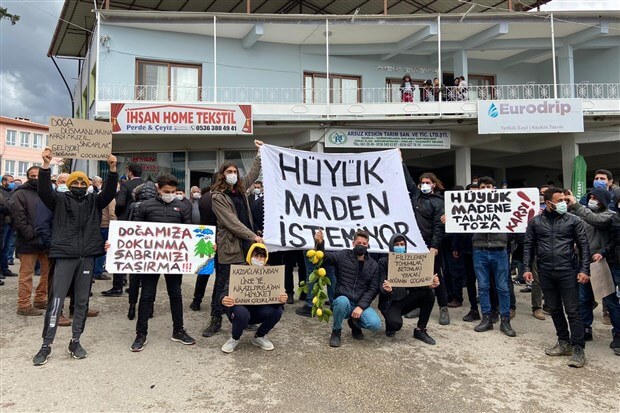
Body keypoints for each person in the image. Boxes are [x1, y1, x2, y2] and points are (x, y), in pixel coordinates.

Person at [32, 148, 119, 365]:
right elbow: (44, 191)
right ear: (69, 184)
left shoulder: (94, 201)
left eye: (83, 182)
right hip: (64, 255)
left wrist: (112, 169)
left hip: (87, 256)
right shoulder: (59, 200)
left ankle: (76, 340)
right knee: (56, 300)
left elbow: (109, 193)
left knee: (81, 302)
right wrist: (46, 166)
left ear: (88, 185)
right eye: (75, 182)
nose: (79, 185)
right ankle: (46, 344)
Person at [523, 187, 591, 368]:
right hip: (545, 271)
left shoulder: (574, 221)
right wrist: (527, 268)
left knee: (573, 311)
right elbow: (528, 245)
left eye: (565, 200)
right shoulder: (536, 222)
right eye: (559, 200)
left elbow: (584, 246)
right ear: (548, 203)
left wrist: (584, 270)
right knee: (554, 308)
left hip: (568, 271)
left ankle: (578, 349)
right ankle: (564, 343)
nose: (564, 203)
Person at [202, 139, 263, 338]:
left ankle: (242, 317)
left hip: (247, 246)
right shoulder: (217, 196)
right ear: (222, 174)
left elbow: (253, 174)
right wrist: (253, 235)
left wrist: (260, 154)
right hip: (229, 246)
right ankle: (215, 319)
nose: (232, 174)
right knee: (223, 284)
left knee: (243, 283)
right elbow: (231, 222)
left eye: (235, 171)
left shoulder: (241, 189)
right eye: (229, 171)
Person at [129, 174, 195, 352]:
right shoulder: (145, 206)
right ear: (158, 188)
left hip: (173, 259)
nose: (170, 194)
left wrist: (205, 244)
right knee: (147, 295)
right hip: (151, 259)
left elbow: (190, 232)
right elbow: (134, 232)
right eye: (167, 191)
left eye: (173, 191)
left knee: (176, 293)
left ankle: (178, 330)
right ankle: (141, 334)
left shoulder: (183, 207)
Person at [314, 229, 381, 348]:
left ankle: (355, 324)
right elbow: (325, 257)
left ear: (368, 245)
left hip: (360, 303)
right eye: (358, 243)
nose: (361, 245)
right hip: (344, 300)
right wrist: (320, 244)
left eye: (364, 243)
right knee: (341, 301)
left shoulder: (373, 265)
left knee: (375, 324)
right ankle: (336, 331)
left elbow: (373, 289)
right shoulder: (343, 255)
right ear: (353, 243)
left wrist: (361, 306)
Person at [402, 168, 450, 325]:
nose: (424, 185)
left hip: (430, 244)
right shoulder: (416, 196)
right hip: (414, 244)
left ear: (434, 184)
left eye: (427, 182)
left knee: (436, 276)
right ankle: (417, 305)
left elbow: (438, 226)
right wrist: (401, 162)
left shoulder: (438, 202)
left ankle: (443, 307)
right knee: (415, 275)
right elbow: (408, 181)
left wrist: (434, 246)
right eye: (422, 182)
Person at [220, 243, 287, 353]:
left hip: (260, 311)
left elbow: (276, 295)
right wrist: (223, 299)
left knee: (278, 311)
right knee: (241, 313)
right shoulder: (239, 270)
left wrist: (281, 299)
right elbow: (225, 291)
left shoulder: (271, 272)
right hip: (240, 311)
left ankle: (259, 336)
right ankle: (234, 338)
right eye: (256, 256)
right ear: (250, 256)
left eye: (262, 256)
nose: (259, 259)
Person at [471, 177, 515, 337]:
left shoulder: (504, 204)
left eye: (489, 186)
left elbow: (516, 220)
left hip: (499, 249)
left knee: (502, 287)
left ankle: (505, 321)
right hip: (479, 249)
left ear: (494, 188)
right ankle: (486, 319)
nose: (486, 189)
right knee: (483, 286)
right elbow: (461, 220)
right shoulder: (471, 205)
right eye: (482, 187)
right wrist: (450, 219)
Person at [567, 188, 614, 341]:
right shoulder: (584, 214)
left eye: (596, 198)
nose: (592, 200)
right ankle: (585, 328)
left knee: (610, 300)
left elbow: (596, 220)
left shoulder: (610, 215)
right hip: (585, 262)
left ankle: (617, 333)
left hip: (602, 263)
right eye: (591, 197)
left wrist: (576, 205)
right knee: (583, 298)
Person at [379, 234, 440, 344]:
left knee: (429, 293)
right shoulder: (383, 262)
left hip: (405, 300)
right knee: (395, 324)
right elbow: (380, 286)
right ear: (391, 246)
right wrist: (387, 289)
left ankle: (420, 330)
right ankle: (390, 324)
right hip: (390, 302)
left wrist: (429, 285)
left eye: (402, 244)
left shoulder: (410, 261)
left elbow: (416, 282)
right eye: (396, 245)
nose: (399, 247)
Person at [9, 166, 50, 316]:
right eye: (33, 176)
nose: (36, 179)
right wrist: (31, 234)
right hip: (27, 240)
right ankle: (24, 304)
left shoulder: (48, 193)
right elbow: (17, 217)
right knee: (26, 274)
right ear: (28, 177)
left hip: (46, 240)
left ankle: (41, 298)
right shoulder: (19, 194)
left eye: (38, 176)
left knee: (48, 272)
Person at [102, 163, 144, 296]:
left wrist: (120, 215)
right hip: (142, 224)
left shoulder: (126, 185)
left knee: (121, 253)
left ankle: (117, 286)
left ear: (130, 172)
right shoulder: (148, 185)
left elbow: (120, 203)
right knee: (138, 255)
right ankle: (135, 285)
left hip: (126, 222)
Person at [126, 181, 159, 320]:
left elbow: (127, 224)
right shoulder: (156, 205)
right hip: (153, 247)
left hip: (136, 246)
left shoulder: (134, 205)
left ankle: (132, 306)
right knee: (151, 280)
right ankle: (150, 307)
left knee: (134, 278)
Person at [190, 185, 218, 312]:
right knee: (220, 274)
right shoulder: (219, 198)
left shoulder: (203, 198)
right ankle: (215, 302)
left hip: (206, 236)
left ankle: (196, 301)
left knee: (204, 271)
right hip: (218, 237)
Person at [604, 191, 620, 355]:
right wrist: (602, 252)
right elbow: (611, 242)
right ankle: (618, 333)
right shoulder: (613, 219)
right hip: (615, 264)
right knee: (612, 300)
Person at [93, 181, 116, 280]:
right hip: (107, 225)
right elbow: (112, 213)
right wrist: (115, 225)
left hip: (100, 224)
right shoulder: (110, 198)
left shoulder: (97, 196)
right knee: (103, 249)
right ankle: (98, 271)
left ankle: (97, 269)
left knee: (99, 247)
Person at [1, 174, 18, 278]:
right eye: (10, 181)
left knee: (7, 247)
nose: (13, 183)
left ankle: (4, 268)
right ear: (4, 182)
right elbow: (6, 206)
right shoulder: (1, 192)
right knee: (2, 247)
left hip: (11, 223)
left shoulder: (13, 192)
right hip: (3, 223)